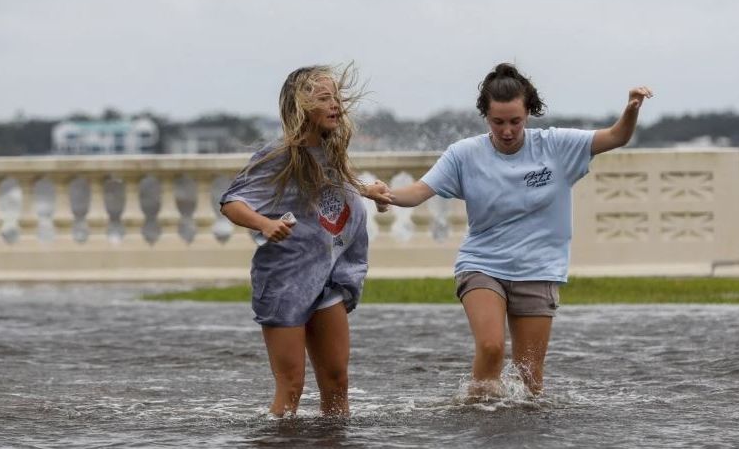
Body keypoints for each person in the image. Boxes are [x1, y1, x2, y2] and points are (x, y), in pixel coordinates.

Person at [381, 63, 652, 398]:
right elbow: (419, 191)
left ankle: (522, 443)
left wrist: (630, 111)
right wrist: (388, 195)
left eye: (515, 121)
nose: (507, 131)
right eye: (498, 122)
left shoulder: (556, 146)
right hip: (482, 264)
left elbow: (616, 136)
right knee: (492, 346)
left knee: (530, 378)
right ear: (485, 116)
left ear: (528, 114)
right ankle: (476, 415)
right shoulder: (464, 154)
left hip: (538, 269)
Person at [219, 64, 391, 417]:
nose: (335, 106)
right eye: (324, 98)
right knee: (292, 385)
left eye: (337, 98)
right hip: (285, 282)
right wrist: (264, 224)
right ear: (301, 107)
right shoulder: (279, 154)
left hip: (326, 278)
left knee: (337, 381)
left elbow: (335, 186)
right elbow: (231, 202)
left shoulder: (330, 151)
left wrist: (367, 190)